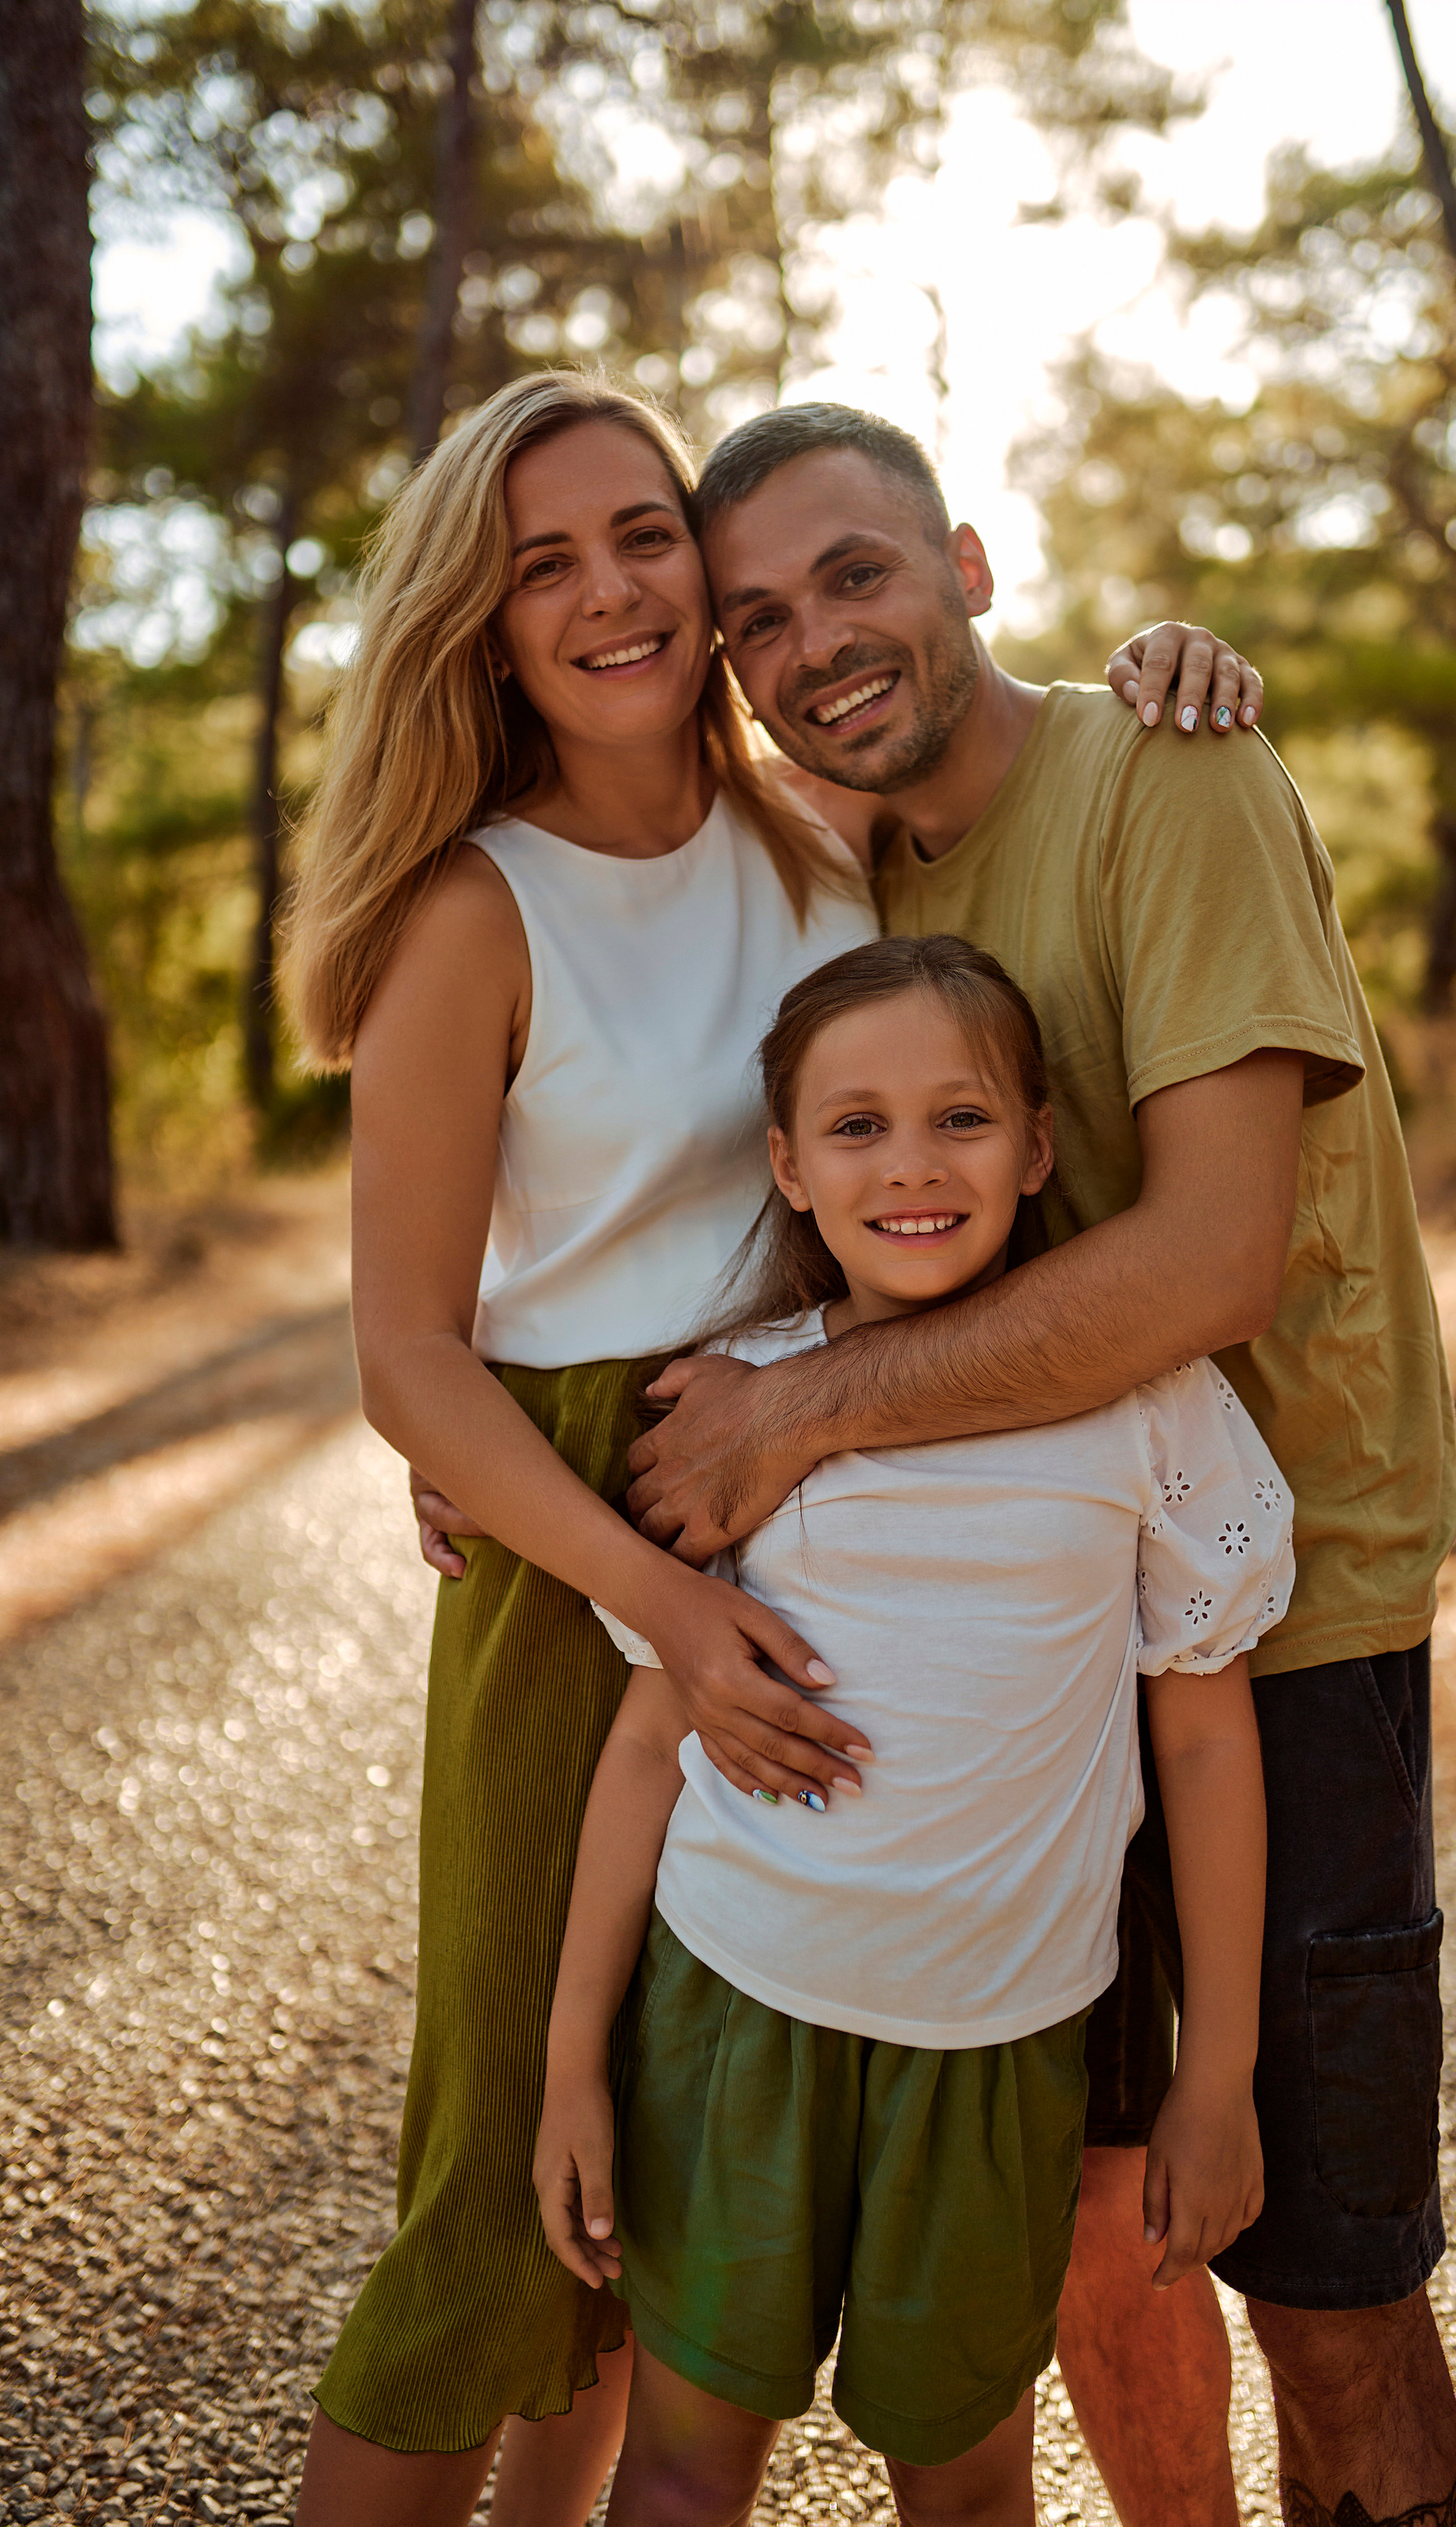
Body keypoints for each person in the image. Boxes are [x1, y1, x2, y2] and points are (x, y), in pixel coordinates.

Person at [282, 364, 1253, 2527]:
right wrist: (653, 1593)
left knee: (622, 2240)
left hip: (801, 1472)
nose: (615, 592)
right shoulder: (475, 911)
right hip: (592, 1554)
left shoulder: (816, 841)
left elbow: (1002, 809)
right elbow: (406, 1356)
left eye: (648, 541)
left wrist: (1164, 664)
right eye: (547, 563)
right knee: (484, 2214)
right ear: (484, 619)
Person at [619, 404, 1456, 2527]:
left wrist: (793, 1415)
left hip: (1284, 1627)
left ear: (975, 564)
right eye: (759, 619)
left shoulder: (1162, 772)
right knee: (1103, 2229)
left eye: (858, 574)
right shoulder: (855, 870)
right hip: (1022, 1647)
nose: (817, 640)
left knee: (1325, 2277)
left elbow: (1215, 1254)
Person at [533, 934, 1292, 2527]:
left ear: (1038, 1148)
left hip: (1001, 2045)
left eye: (959, 1119)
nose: (911, 1165)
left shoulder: (1148, 1402)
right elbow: (642, 1748)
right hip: (733, 2014)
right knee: (680, 2469)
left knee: (961, 2480)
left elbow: (1206, 1746)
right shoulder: (734, 1404)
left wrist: (1210, 2074)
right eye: (855, 1126)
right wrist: (568, 2066)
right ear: (788, 1169)